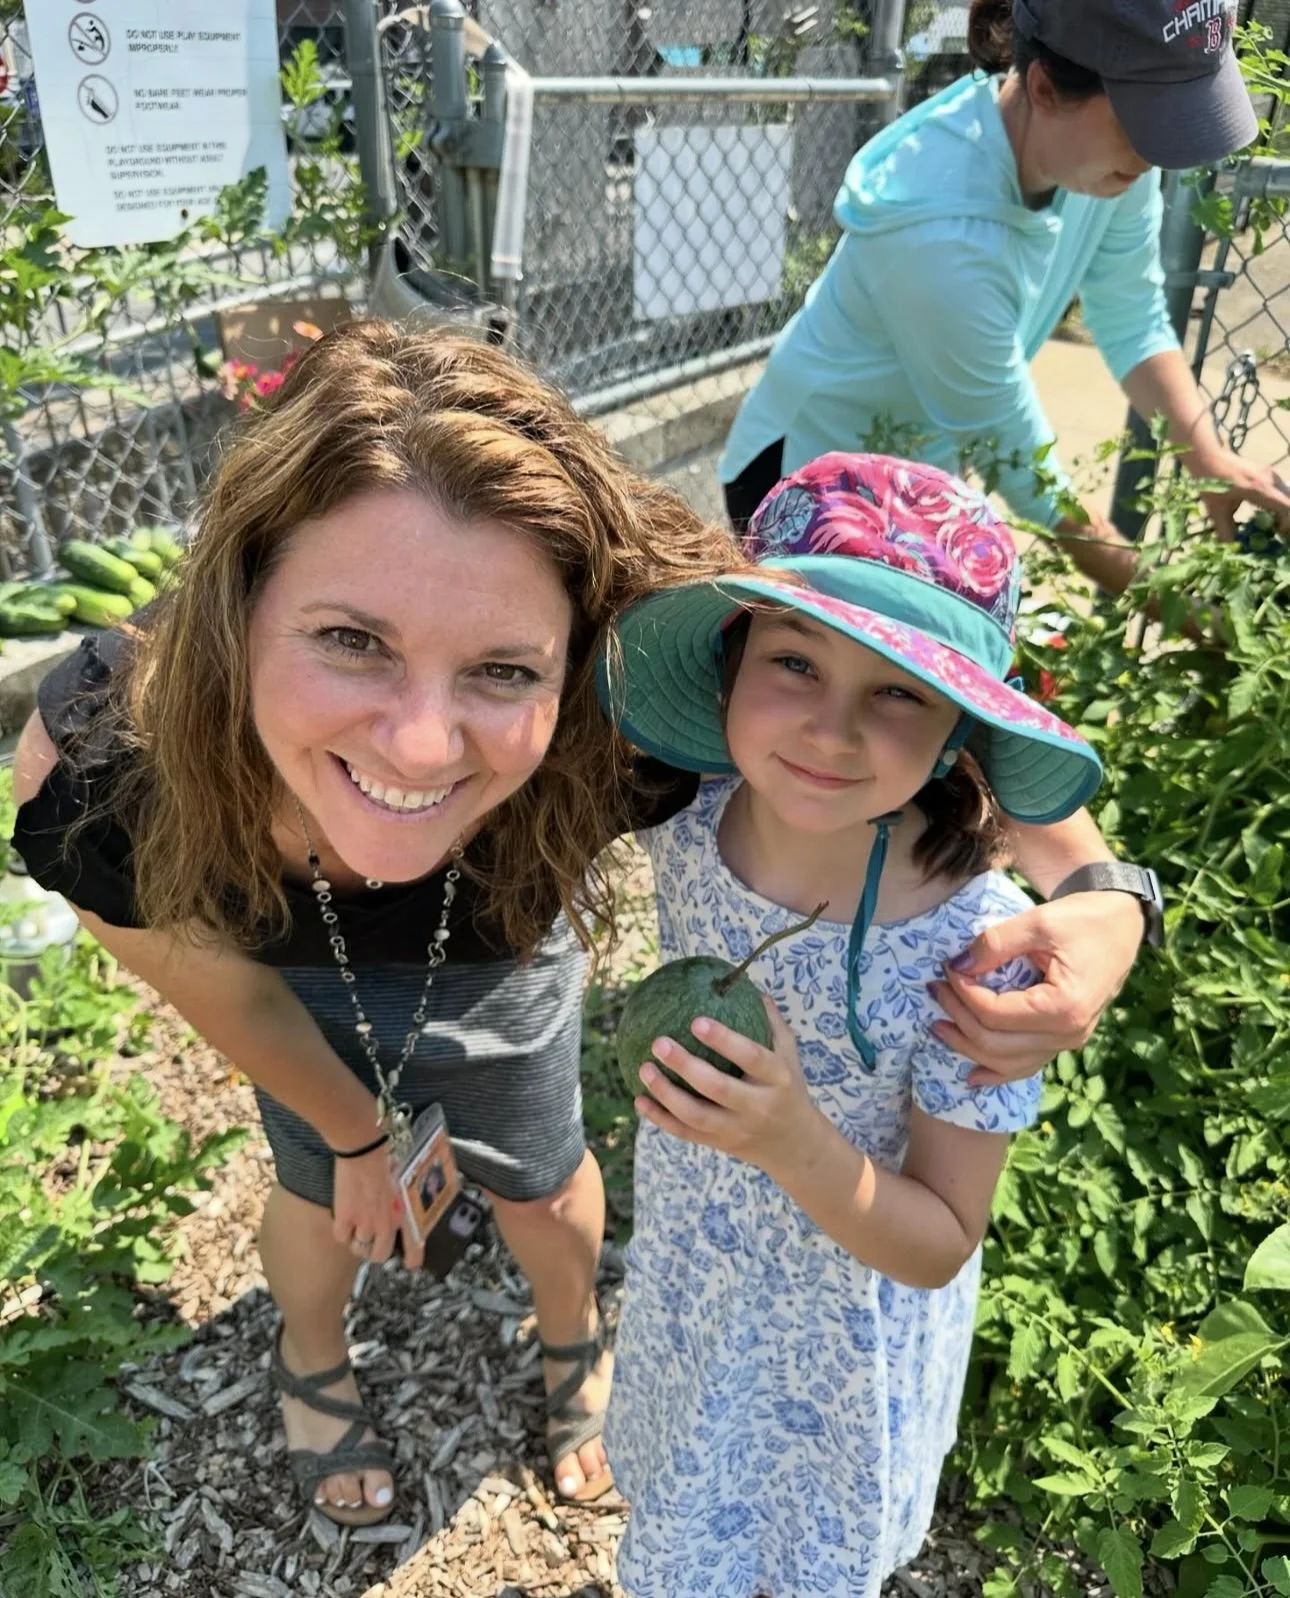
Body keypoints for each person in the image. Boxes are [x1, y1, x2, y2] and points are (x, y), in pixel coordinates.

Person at [12, 323, 1148, 1530]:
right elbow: (230, 998)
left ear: (588, 650)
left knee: (547, 1185)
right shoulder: (105, 773)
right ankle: (314, 1357)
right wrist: (356, 1135)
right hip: (282, 972)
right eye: (351, 640)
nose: (418, 744)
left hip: (498, 945)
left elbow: (923, 736)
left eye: (504, 671)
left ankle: (575, 1345)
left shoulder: (638, 696)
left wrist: (1108, 903)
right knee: (312, 1187)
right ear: (240, 609)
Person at [597, 453, 1114, 1597]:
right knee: (683, 1508)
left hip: (838, 1344)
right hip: (696, 1275)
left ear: (953, 735)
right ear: (729, 668)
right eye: (794, 661)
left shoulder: (980, 952)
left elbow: (939, 1238)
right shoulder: (690, 819)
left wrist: (794, 1139)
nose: (831, 731)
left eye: (897, 691)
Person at [720, 0, 1290, 589]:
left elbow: (1132, 316)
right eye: (1143, 123)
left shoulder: (1107, 166)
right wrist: (1188, 611)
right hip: (809, 475)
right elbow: (1029, 477)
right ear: (1044, 87)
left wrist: (1209, 460)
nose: (1157, 155)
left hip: (917, 467)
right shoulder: (939, 235)